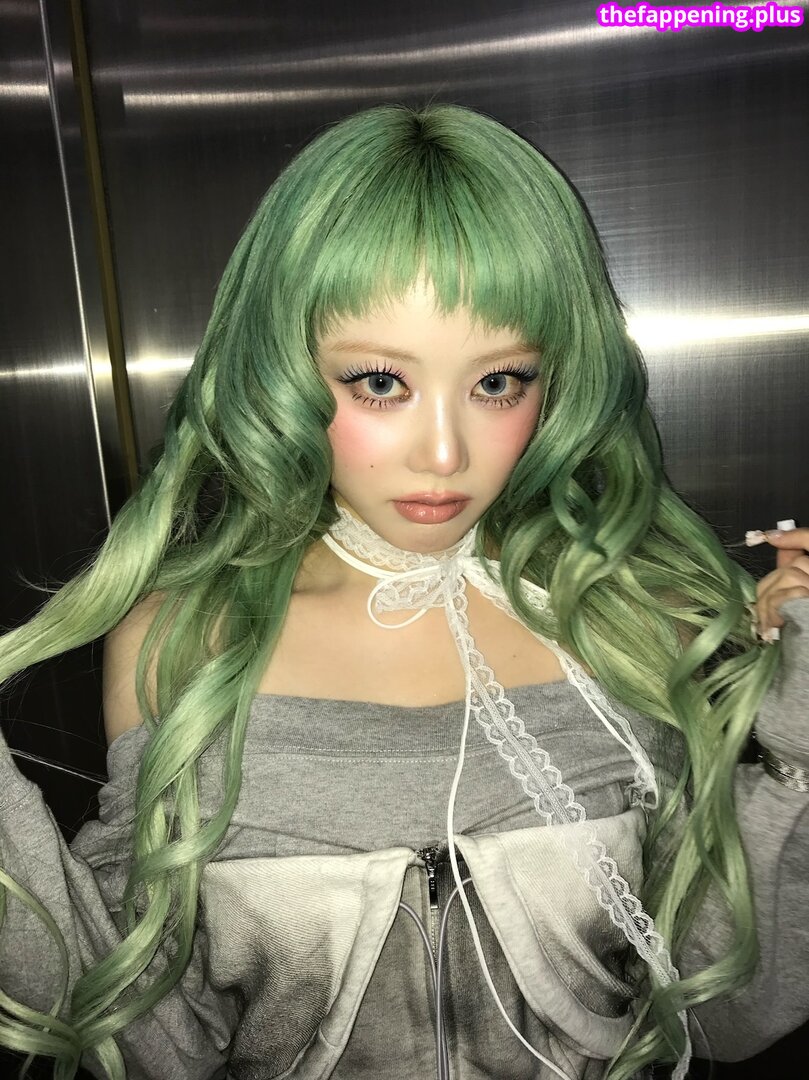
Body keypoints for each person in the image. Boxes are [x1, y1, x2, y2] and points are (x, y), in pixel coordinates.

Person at [0, 101, 807, 1080]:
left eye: (497, 382)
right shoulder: (187, 637)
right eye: (380, 382)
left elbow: (722, 1012)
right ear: (284, 370)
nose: (443, 453)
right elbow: (144, 1039)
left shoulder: (630, 616)